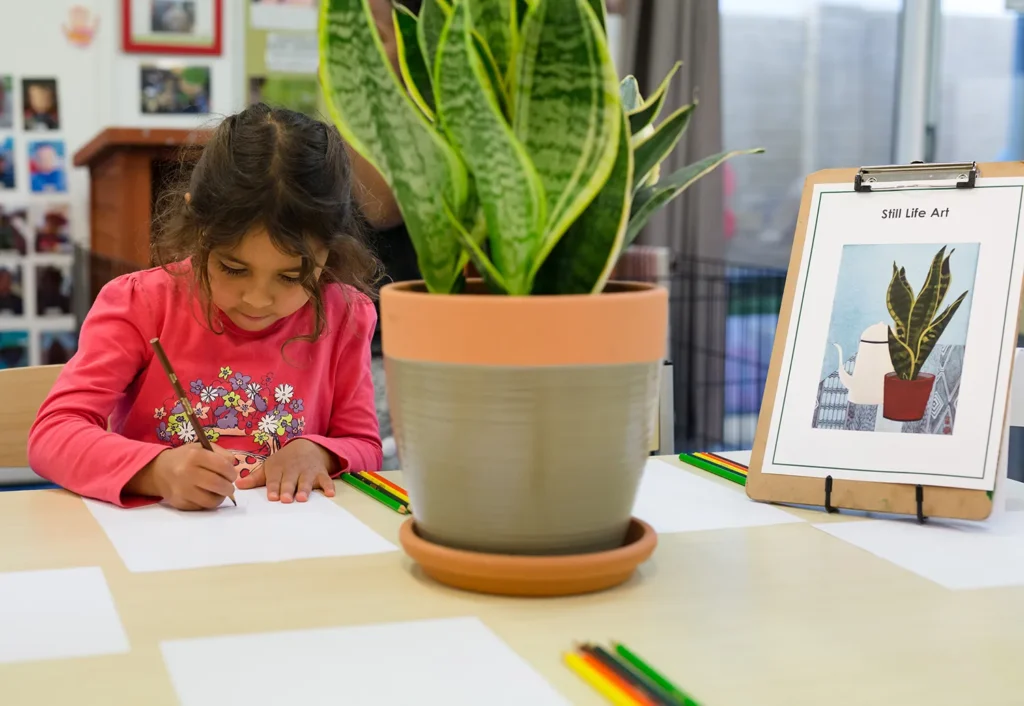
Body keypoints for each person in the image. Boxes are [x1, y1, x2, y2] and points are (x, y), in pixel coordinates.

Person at [28, 103, 384, 510]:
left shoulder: (346, 316)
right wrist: (156, 470)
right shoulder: (140, 304)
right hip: (157, 548)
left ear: (332, 250)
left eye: (291, 277)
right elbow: (52, 434)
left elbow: (364, 445)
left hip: (287, 551)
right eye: (233, 268)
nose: (256, 298)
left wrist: (319, 452)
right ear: (198, 225)